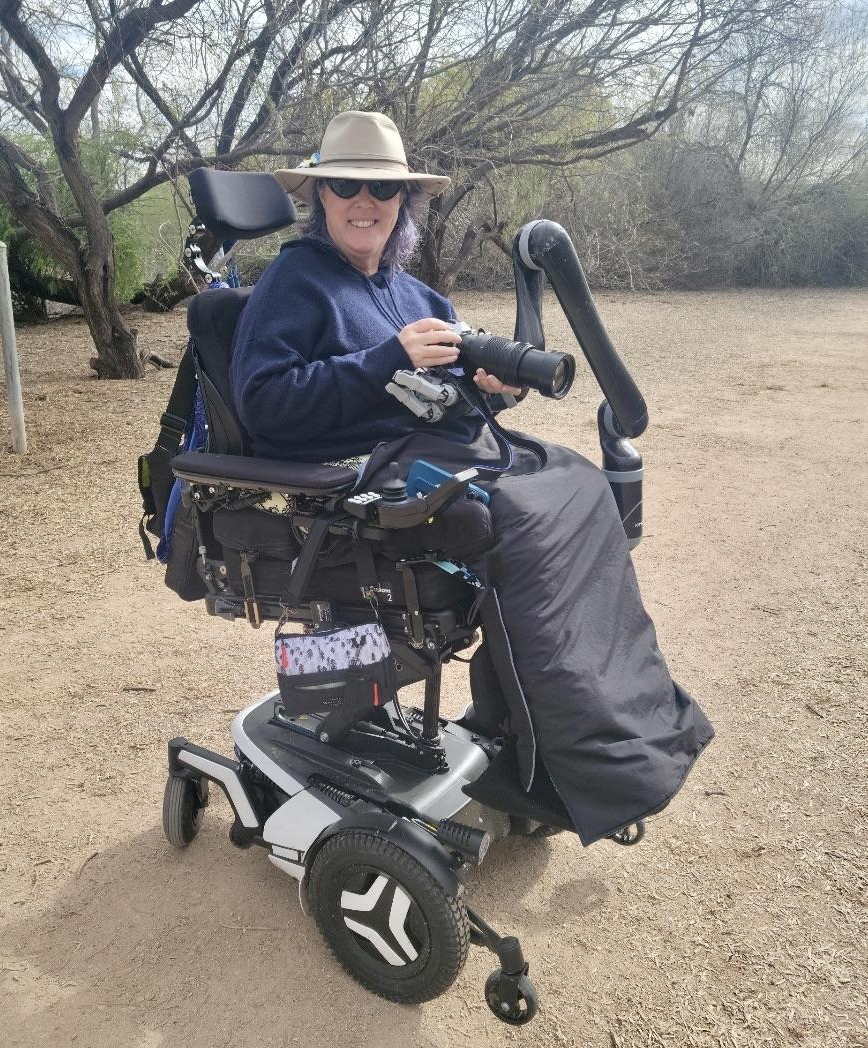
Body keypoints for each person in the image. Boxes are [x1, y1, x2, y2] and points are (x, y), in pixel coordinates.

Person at [231, 111, 714, 846]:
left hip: (449, 451)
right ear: (318, 196)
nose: (365, 202)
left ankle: (549, 744)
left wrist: (489, 388)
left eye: (382, 191)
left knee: (579, 485)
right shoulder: (294, 280)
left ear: (405, 205)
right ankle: (576, 762)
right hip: (361, 475)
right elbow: (265, 405)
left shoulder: (415, 294)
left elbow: (444, 394)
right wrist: (383, 360)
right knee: (526, 517)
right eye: (345, 186)